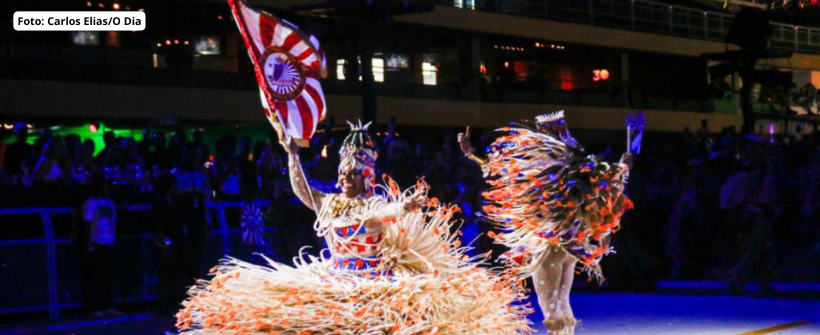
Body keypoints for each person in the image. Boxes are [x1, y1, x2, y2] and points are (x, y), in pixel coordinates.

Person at [176, 121, 532, 334]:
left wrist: (406, 206)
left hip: (373, 284)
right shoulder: (329, 202)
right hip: (334, 278)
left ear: (366, 176)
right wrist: (293, 155)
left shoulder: (372, 206)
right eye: (343, 173)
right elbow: (302, 190)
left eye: (353, 174)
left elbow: (389, 210)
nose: (346, 178)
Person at [458, 111, 634, 335]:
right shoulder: (575, 170)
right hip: (568, 242)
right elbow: (602, 192)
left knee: (551, 307)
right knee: (561, 301)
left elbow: (502, 170)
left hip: (547, 243)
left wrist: (471, 153)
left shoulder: (545, 169)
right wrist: (622, 170)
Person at [82, 175, 122, 317]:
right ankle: (94, 307)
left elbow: (115, 221)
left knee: (109, 275)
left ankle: (108, 305)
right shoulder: (91, 202)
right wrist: (89, 242)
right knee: (96, 276)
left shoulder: (110, 202)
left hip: (110, 240)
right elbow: (87, 222)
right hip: (97, 241)